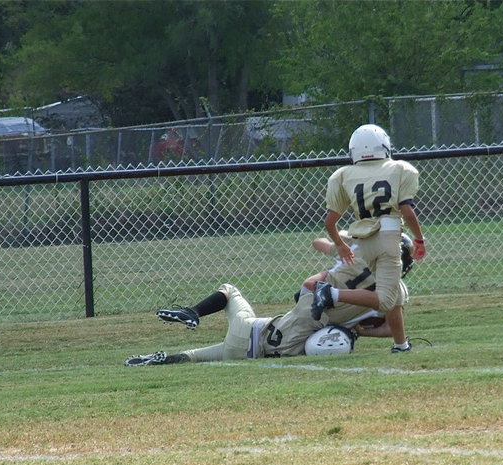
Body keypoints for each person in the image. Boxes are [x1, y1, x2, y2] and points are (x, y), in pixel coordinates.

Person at [124, 235, 414, 366]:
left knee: (229, 290)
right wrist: (370, 333)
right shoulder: (393, 288)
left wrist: (338, 246)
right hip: (264, 347)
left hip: (253, 332)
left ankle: (193, 313)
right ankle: (174, 356)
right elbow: (393, 327)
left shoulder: (354, 256)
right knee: (200, 356)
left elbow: (313, 262)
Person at [310, 124, 426, 354]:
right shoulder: (401, 169)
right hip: (389, 238)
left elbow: (329, 223)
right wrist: (419, 239)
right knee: (385, 299)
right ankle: (330, 293)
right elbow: (408, 211)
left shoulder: (344, 174)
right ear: (385, 146)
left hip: (363, 241)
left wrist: (341, 246)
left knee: (392, 296)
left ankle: (401, 345)